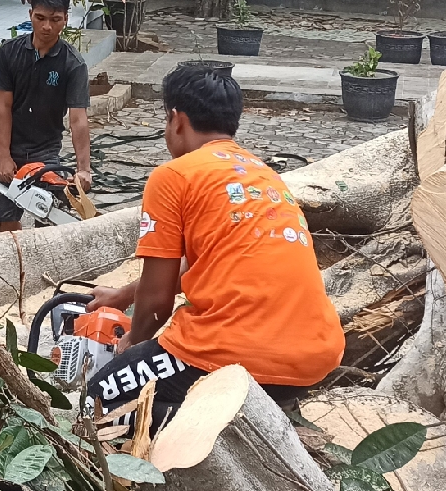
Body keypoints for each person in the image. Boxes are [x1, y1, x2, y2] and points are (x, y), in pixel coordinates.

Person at [84, 65, 343, 422]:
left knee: (92, 404)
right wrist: (123, 296)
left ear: (176, 120)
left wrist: (134, 344)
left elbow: (158, 302)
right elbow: (208, 264)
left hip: (234, 351)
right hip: (314, 356)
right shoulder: (262, 174)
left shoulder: (173, 175)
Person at [0, 0, 93, 231]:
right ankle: (15, 265)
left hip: (45, 150)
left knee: (47, 215)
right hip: (8, 145)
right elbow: (3, 106)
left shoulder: (73, 64)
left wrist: (84, 169)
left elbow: (78, 119)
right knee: (6, 214)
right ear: (30, 16)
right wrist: (4, 156)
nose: (47, 27)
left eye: (55, 19)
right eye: (41, 18)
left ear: (66, 19)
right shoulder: (9, 53)